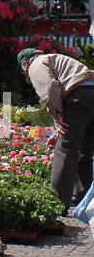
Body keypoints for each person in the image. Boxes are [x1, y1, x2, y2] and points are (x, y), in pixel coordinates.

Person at [18, 47, 94, 210]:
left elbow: (50, 88)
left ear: (25, 64)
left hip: (77, 97)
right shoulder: (55, 59)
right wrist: (58, 126)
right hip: (90, 93)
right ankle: (83, 199)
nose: (27, 77)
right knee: (83, 150)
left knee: (65, 149)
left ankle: (56, 204)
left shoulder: (36, 64)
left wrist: (58, 115)